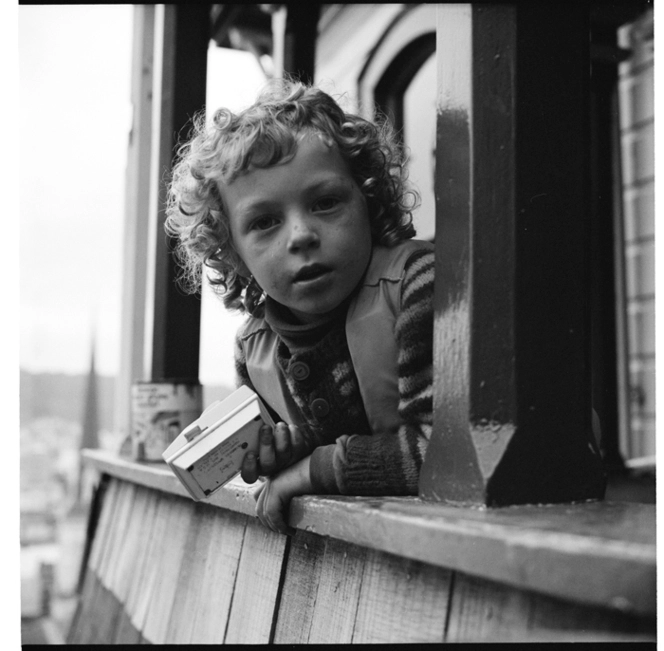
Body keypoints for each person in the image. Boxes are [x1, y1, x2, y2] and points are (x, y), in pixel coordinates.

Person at [165, 79, 434, 535]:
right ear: (233, 253)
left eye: (325, 203)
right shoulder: (254, 352)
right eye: (265, 222)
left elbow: (445, 455)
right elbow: (286, 466)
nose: (301, 235)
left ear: (368, 202)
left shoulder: (418, 285)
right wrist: (282, 457)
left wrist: (310, 470)